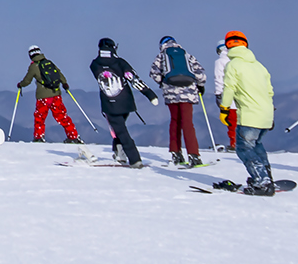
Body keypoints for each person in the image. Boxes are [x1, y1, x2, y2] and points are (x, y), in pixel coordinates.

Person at [217, 31, 277, 194]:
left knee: (244, 149)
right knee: (256, 145)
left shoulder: (233, 65)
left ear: (228, 46)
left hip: (249, 115)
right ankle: (266, 177)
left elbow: (229, 88)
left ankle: (261, 181)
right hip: (266, 114)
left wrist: (224, 109)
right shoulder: (259, 66)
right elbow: (270, 91)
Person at [89, 38, 157, 167]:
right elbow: (133, 79)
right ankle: (120, 153)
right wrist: (150, 94)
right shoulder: (120, 63)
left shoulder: (94, 65)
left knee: (120, 130)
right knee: (119, 128)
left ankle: (134, 159)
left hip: (109, 103)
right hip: (126, 103)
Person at [152, 35, 207, 167]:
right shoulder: (186, 55)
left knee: (175, 121)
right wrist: (199, 85)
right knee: (187, 123)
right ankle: (194, 155)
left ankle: (176, 153)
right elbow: (201, 74)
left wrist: (164, 83)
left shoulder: (162, 56)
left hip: (171, 93)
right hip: (187, 92)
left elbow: (154, 73)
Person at [16, 46, 81, 143]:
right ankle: (73, 136)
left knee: (40, 116)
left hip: (43, 96)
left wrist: (20, 84)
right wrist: (65, 83)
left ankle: (39, 137)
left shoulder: (34, 66)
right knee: (62, 116)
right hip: (56, 94)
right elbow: (59, 74)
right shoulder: (49, 63)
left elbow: (27, 81)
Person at [209, 38, 237, 150]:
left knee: (232, 122)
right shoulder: (237, 60)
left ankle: (234, 144)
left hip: (229, 97)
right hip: (243, 97)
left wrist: (218, 95)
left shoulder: (220, 62)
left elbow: (219, 79)